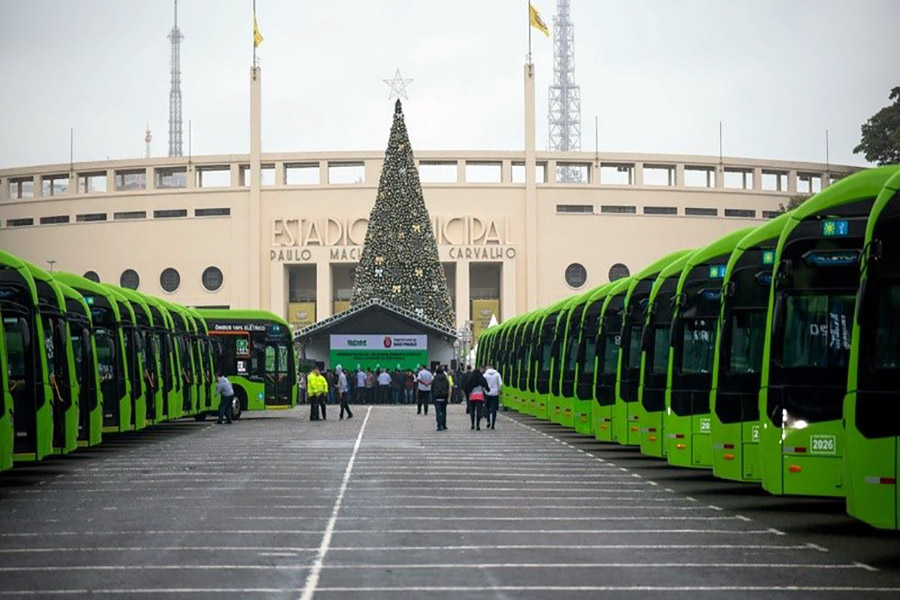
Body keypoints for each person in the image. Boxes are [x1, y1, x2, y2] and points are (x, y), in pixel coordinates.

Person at [483, 364, 503, 430]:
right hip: (495, 393)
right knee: (494, 409)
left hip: (487, 393)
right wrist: (499, 390)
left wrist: (484, 390)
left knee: (487, 407)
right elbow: (500, 384)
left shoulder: (485, 375)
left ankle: (488, 420)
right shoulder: (497, 374)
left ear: (487, 368)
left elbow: (483, 383)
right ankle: (493, 424)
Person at [431, 365, 451, 431]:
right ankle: (444, 425)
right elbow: (448, 387)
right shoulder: (445, 378)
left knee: (438, 411)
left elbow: (432, 388)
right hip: (444, 396)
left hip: (436, 396)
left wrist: (432, 396)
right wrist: (448, 397)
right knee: (444, 411)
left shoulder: (434, 378)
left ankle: (439, 426)